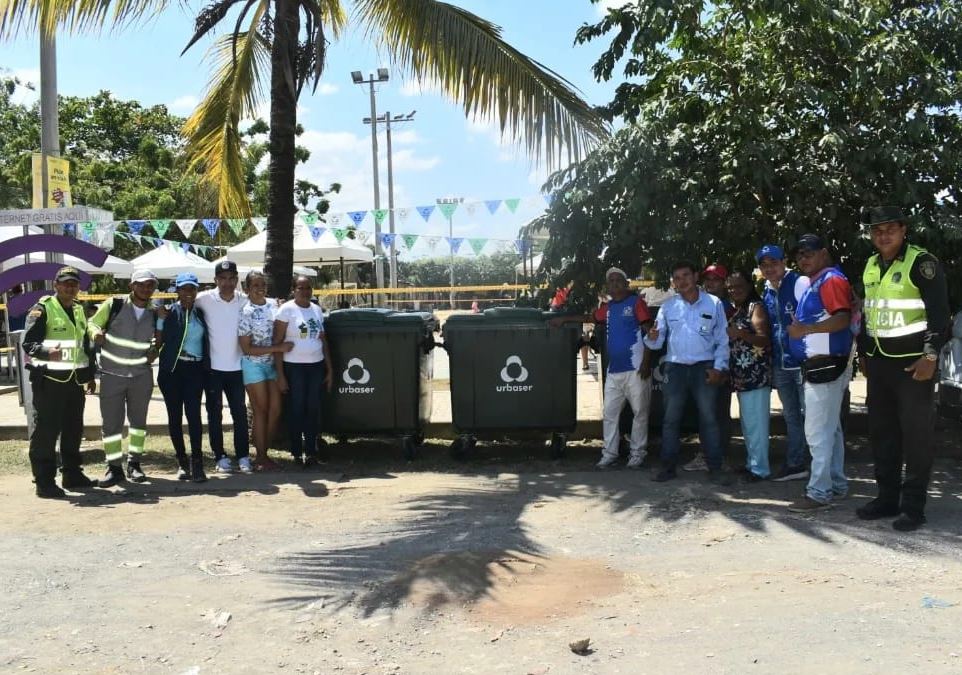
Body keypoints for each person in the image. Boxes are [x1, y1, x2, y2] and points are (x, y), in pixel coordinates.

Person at [856, 206, 950, 531]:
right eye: (877, 230)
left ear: (903, 230)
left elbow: (940, 316)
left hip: (913, 368)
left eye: (889, 229)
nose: (883, 235)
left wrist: (930, 356)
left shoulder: (922, 263)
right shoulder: (870, 265)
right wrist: (864, 354)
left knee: (916, 438)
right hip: (880, 365)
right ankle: (886, 499)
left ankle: (913, 507)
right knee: (883, 434)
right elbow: (868, 314)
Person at [551, 268, 654, 469]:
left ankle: (637, 454)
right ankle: (609, 453)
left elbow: (649, 332)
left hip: (636, 368)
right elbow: (590, 318)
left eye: (618, 280)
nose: (614, 283)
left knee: (640, 412)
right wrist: (564, 319)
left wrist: (646, 362)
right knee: (609, 413)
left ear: (626, 284)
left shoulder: (636, 303)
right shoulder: (607, 308)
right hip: (614, 370)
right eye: (611, 281)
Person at [785, 234, 854, 512]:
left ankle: (819, 493)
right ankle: (835, 485)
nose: (803, 258)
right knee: (831, 430)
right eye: (799, 254)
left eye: (808, 253)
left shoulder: (830, 280)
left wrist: (805, 330)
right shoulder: (820, 281)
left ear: (824, 253)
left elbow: (842, 317)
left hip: (826, 366)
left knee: (817, 432)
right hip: (822, 365)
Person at [644, 261, 730, 483]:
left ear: (695, 276)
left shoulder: (714, 303)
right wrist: (652, 338)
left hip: (705, 367)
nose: (681, 281)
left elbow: (722, 339)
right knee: (671, 419)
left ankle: (715, 469)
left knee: (709, 419)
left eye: (685, 275)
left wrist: (719, 367)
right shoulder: (668, 307)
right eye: (677, 277)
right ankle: (668, 467)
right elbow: (657, 340)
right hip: (676, 368)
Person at [21, 266, 97, 498]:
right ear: (56, 285)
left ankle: (72, 474)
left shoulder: (78, 309)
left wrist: (89, 375)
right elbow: (28, 344)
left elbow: (84, 346)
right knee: (46, 431)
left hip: (74, 381)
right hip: (50, 381)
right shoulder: (42, 309)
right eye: (65, 283)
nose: (70, 287)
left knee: (73, 429)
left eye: (74, 283)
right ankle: (44, 481)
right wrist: (46, 352)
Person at [88, 269, 160, 487]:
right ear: (132, 286)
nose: (146, 289)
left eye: (150, 285)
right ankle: (114, 468)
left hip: (141, 376)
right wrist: (96, 334)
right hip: (112, 375)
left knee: (138, 424)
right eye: (141, 284)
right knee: (111, 425)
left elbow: (158, 340)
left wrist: (156, 350)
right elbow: (91, 323)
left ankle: (134, 464)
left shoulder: (155, 313)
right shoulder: (114, 304)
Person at [757, 243, 811, 482]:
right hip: (781, 363)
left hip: (802, 361)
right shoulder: (767, 290)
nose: (770, 268)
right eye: (764, 265)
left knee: (812, 416)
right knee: (791, 416)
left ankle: (819, 467)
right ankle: (796, 463)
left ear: (783, 262)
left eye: (774, 263)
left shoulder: (799, 283)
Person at [195, 260, 252, 474]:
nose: (227, 283)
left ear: (237, 280)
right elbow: (182, 303)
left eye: (231, 279)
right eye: (223, 279)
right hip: (213, 370)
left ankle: (244, 456)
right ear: (215, 280)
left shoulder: (246, 301)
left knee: (239, 413)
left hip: (237, 368)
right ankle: (220, 456)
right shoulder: (204, 299)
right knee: (214, 414)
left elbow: (269, 303)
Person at [274, 275, 333, 468]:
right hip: (294, 367)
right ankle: (297, 452)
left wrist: (329, 369)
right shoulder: (286, 310)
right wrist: (281, 375)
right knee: (296, 409)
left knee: (312, 409)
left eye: (308, 288)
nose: (305, 291)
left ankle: (311, 452)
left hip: (315, 366)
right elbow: (277, 343)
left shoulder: (316, 310)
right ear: (293, 290)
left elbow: (323, 341)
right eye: (301, 288)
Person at [238, 270, 293, 471]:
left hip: (272, 365)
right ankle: (261, 457)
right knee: (260, 410)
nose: (260, 288)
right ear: (247, 289)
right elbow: (247, 348)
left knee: (276, 410)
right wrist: (278, 348)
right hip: (253, 365)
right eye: (255, 285)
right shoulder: (245, 312)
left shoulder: (274, 305)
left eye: (263, 285)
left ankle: (263, 451)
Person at [156, 272, 209, 483]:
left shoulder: (201, 313)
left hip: (195, 370)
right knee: (174, 416)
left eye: (192, 289)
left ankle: (197, 462)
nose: (188, 293)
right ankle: (182, 462)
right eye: (184, 289)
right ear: (176, 291)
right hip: (172, 371)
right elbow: (158, 342)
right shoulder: (169, 312)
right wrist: (160, 321)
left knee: (194, 416)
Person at [684, 263, 734, 471]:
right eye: (708, 279)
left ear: (724, 283)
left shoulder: (723, 306)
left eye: (716, 280)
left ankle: (713, 456)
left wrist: (720, 368)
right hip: (705, 365)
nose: (711, 283)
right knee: (710, 412)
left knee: (716, 413)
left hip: (718, 367)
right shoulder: (708, 303)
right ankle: (713, 455)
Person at [725, 269, 772, 481]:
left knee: (757, 425)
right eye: (731, 287)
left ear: (750, 285)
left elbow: (763, 338)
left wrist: (742, 334)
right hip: (744, 376)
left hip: (755, 375)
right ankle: (752, 463)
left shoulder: (756, 307)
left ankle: (760, 469)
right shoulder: (741, 308)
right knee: (749, 423)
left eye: (739, 286)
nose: (735, 290)